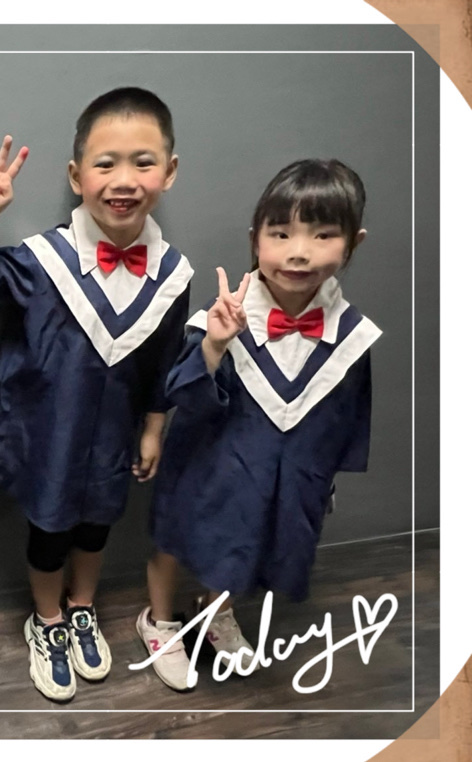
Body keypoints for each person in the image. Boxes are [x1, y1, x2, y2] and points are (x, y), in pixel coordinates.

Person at [0, 87, 191, 702]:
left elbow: (166, 360)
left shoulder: (172, 275)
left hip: (114, 437)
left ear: (169, 172)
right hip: (47, 435)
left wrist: (154, 427)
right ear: (76, 177)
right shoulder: (41, 261)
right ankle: (46, 620)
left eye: (143, 162)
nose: (123, 179)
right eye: (105, 163)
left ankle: (82, 607)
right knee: (48, 531)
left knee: (98, 527)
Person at [140, 158, 380, 691]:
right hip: (207, 464)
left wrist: (325, 476)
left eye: (323, 234)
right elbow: (183, 393)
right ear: (256, 239)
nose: (299, 251)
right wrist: (214, 344)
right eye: (281, 233)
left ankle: (216, 613)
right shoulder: (226, 315)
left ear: (353, 244)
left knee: (246, 542)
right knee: (175, 539)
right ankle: (158, 621)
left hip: (285, 473)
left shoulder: (351, 336)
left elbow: (347, 414)